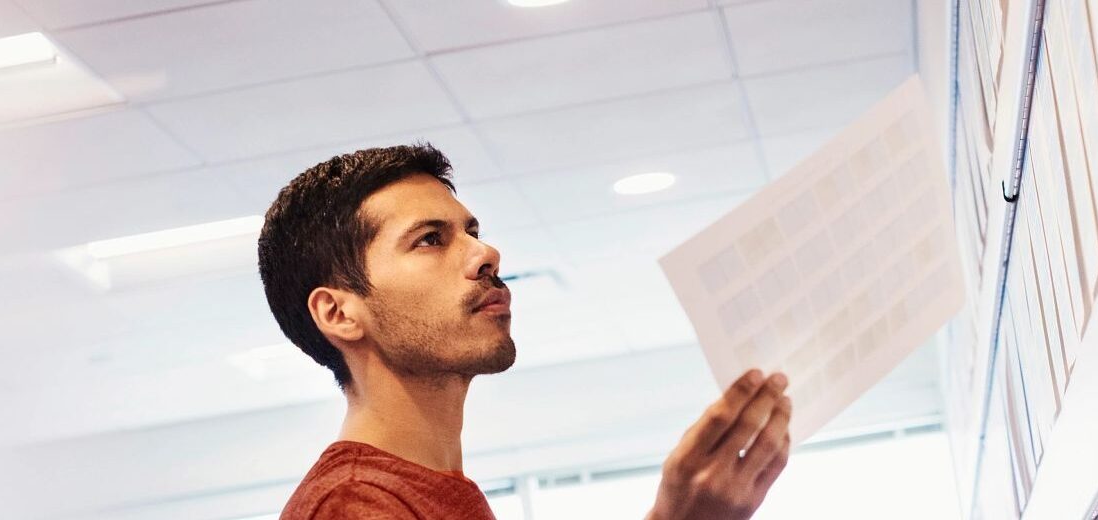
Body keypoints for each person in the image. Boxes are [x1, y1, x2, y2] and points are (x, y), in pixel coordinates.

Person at [258, 144, 794, 519]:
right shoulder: (353, 506)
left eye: (472, 231)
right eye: (429, 240)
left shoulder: (432, 489)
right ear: (338, 313)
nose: (485, 253)